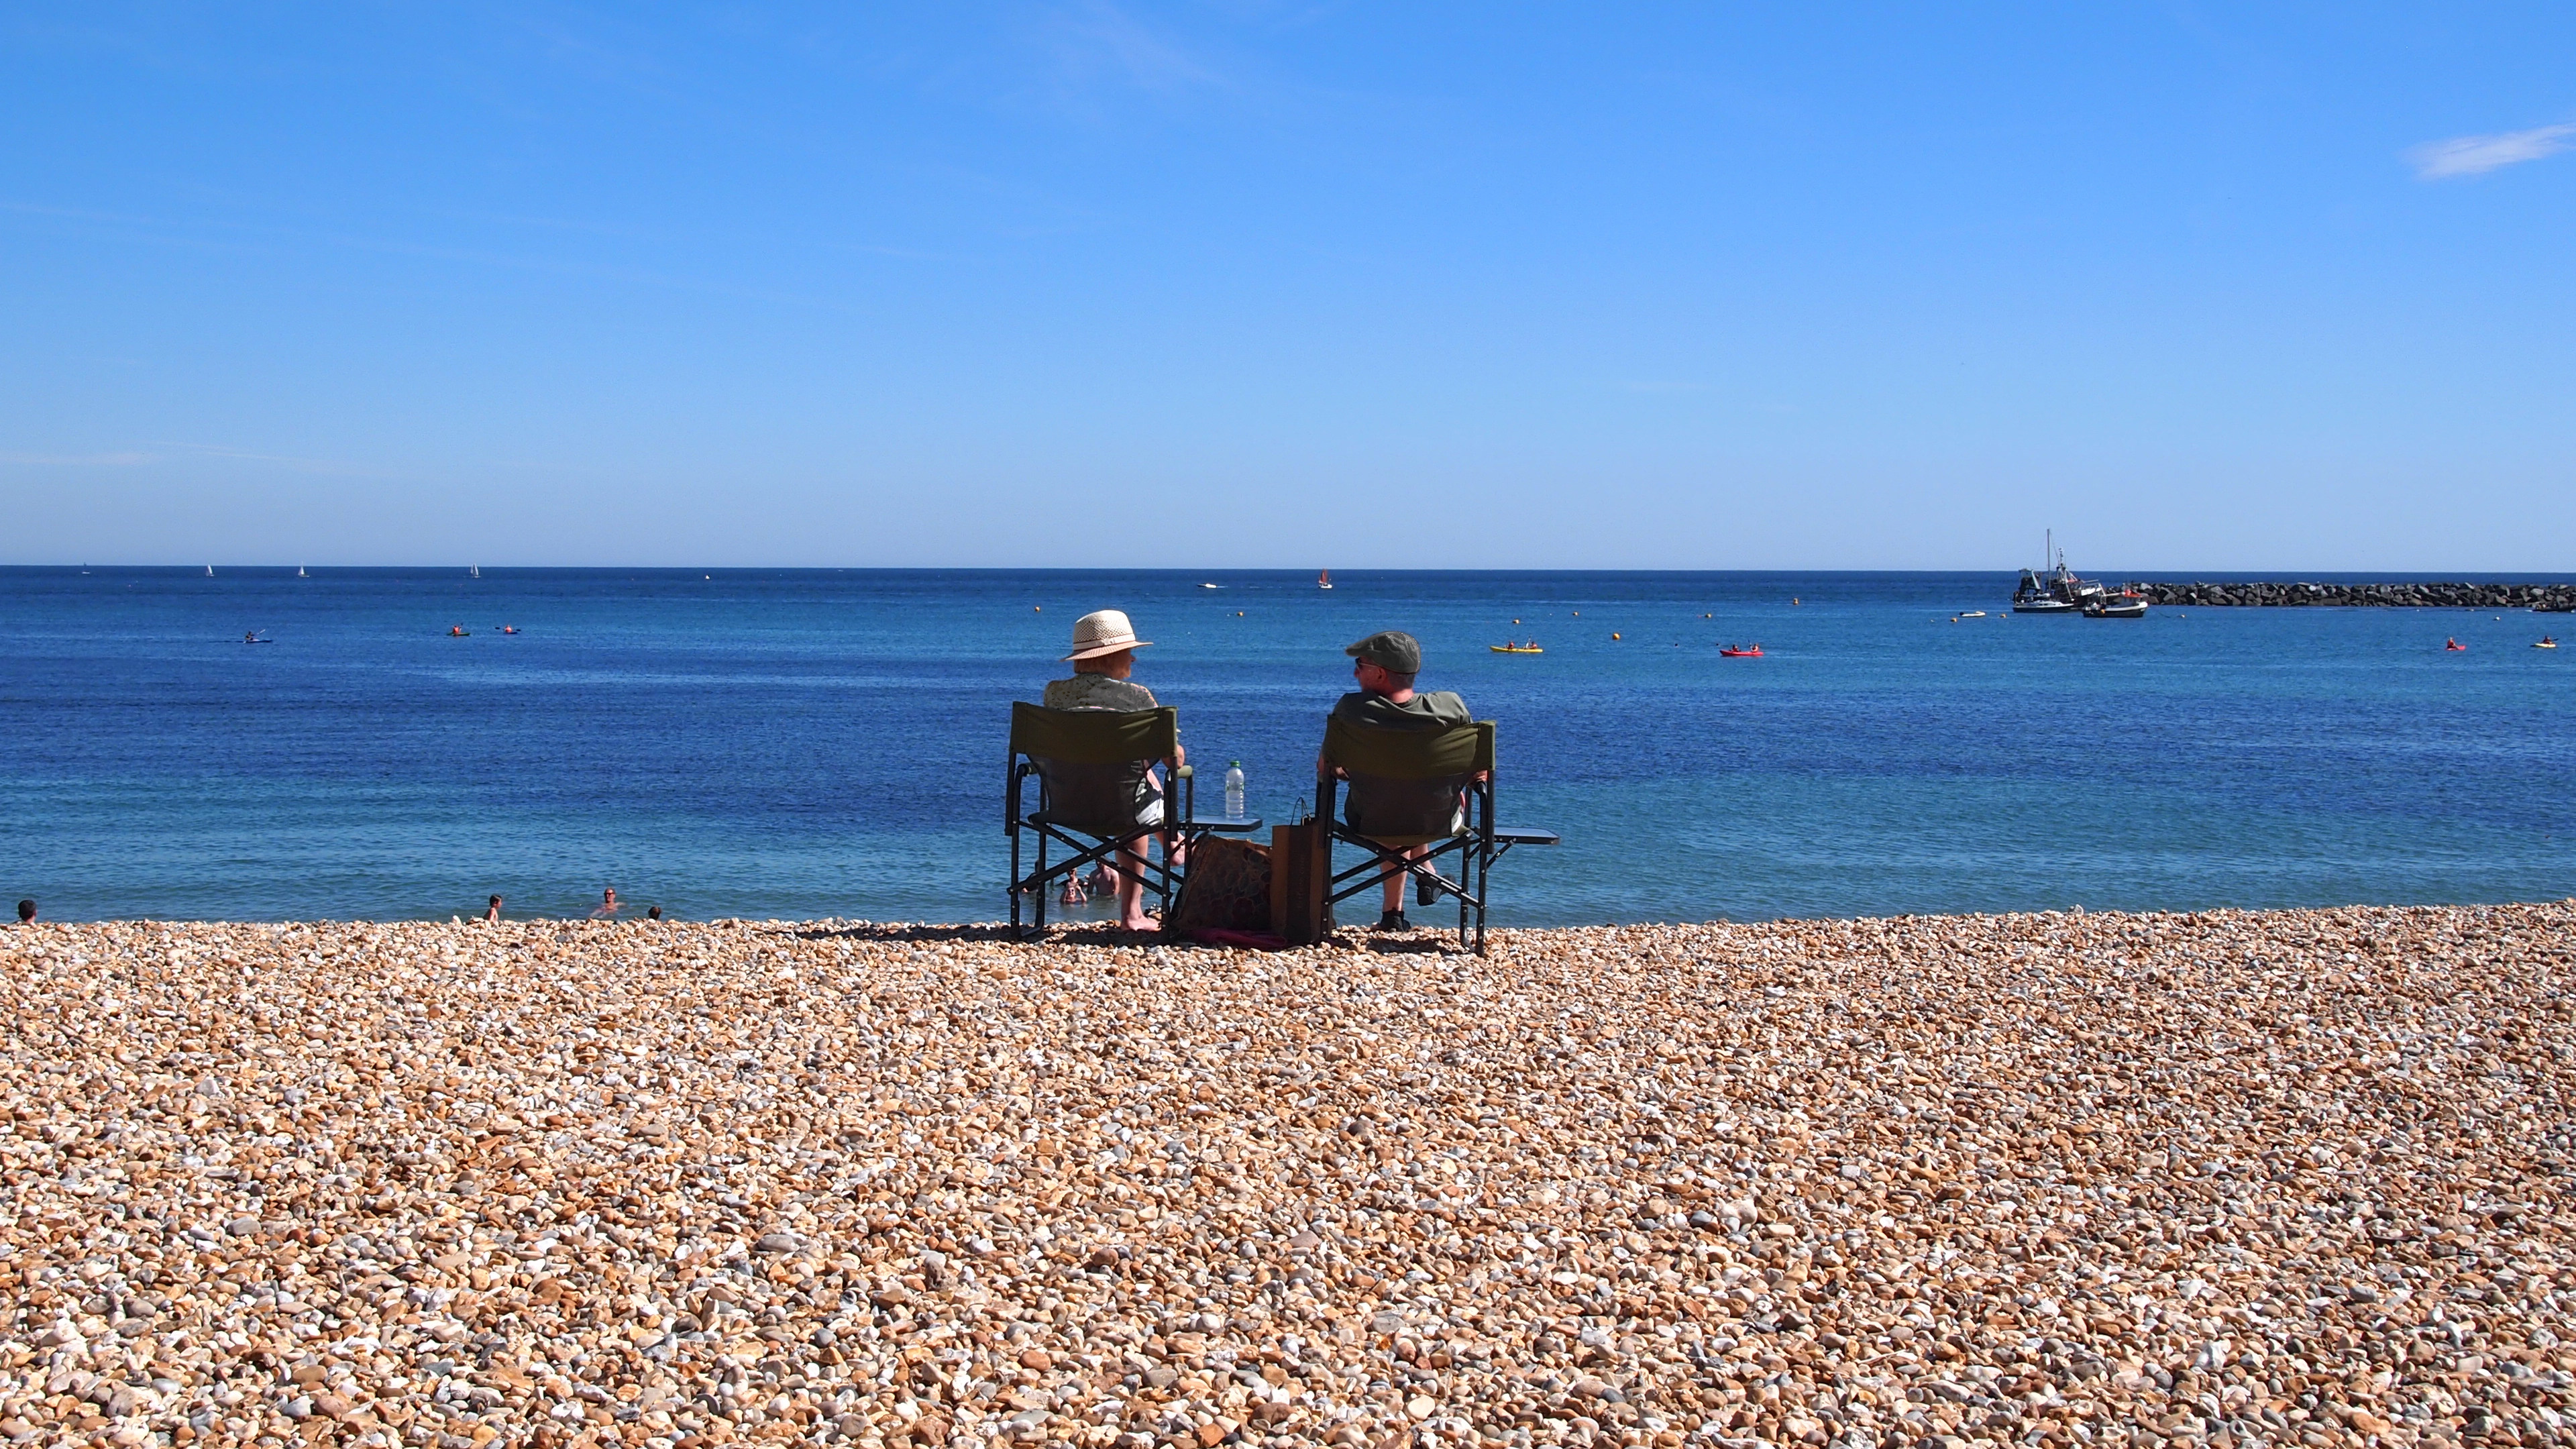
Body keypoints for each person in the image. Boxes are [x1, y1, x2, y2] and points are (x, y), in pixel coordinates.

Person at [1324, 630, 1479, 932]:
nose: (1355, 672)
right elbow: (1478, 772)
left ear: (1380, 673)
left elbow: (1324, 768)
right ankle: (1424, 881)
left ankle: (1397, 911)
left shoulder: (1352, 710)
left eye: (1360, 664)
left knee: (1392, 798)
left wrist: (1349, 772)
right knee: (1411, 795)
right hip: (1439, 818)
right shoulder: (1451, 706)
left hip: (1371, 817)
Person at [1042, 609, 1183, 931]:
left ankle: (1173, 843)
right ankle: (1133, 913)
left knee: (1129, 771)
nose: (1134, 659)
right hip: (1122, 808)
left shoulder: (1054, 694)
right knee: (1134, 784)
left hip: (1066, 803)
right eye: (1129, 652)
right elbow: (1173, 761)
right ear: (1111, 656)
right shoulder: (1136, 697)